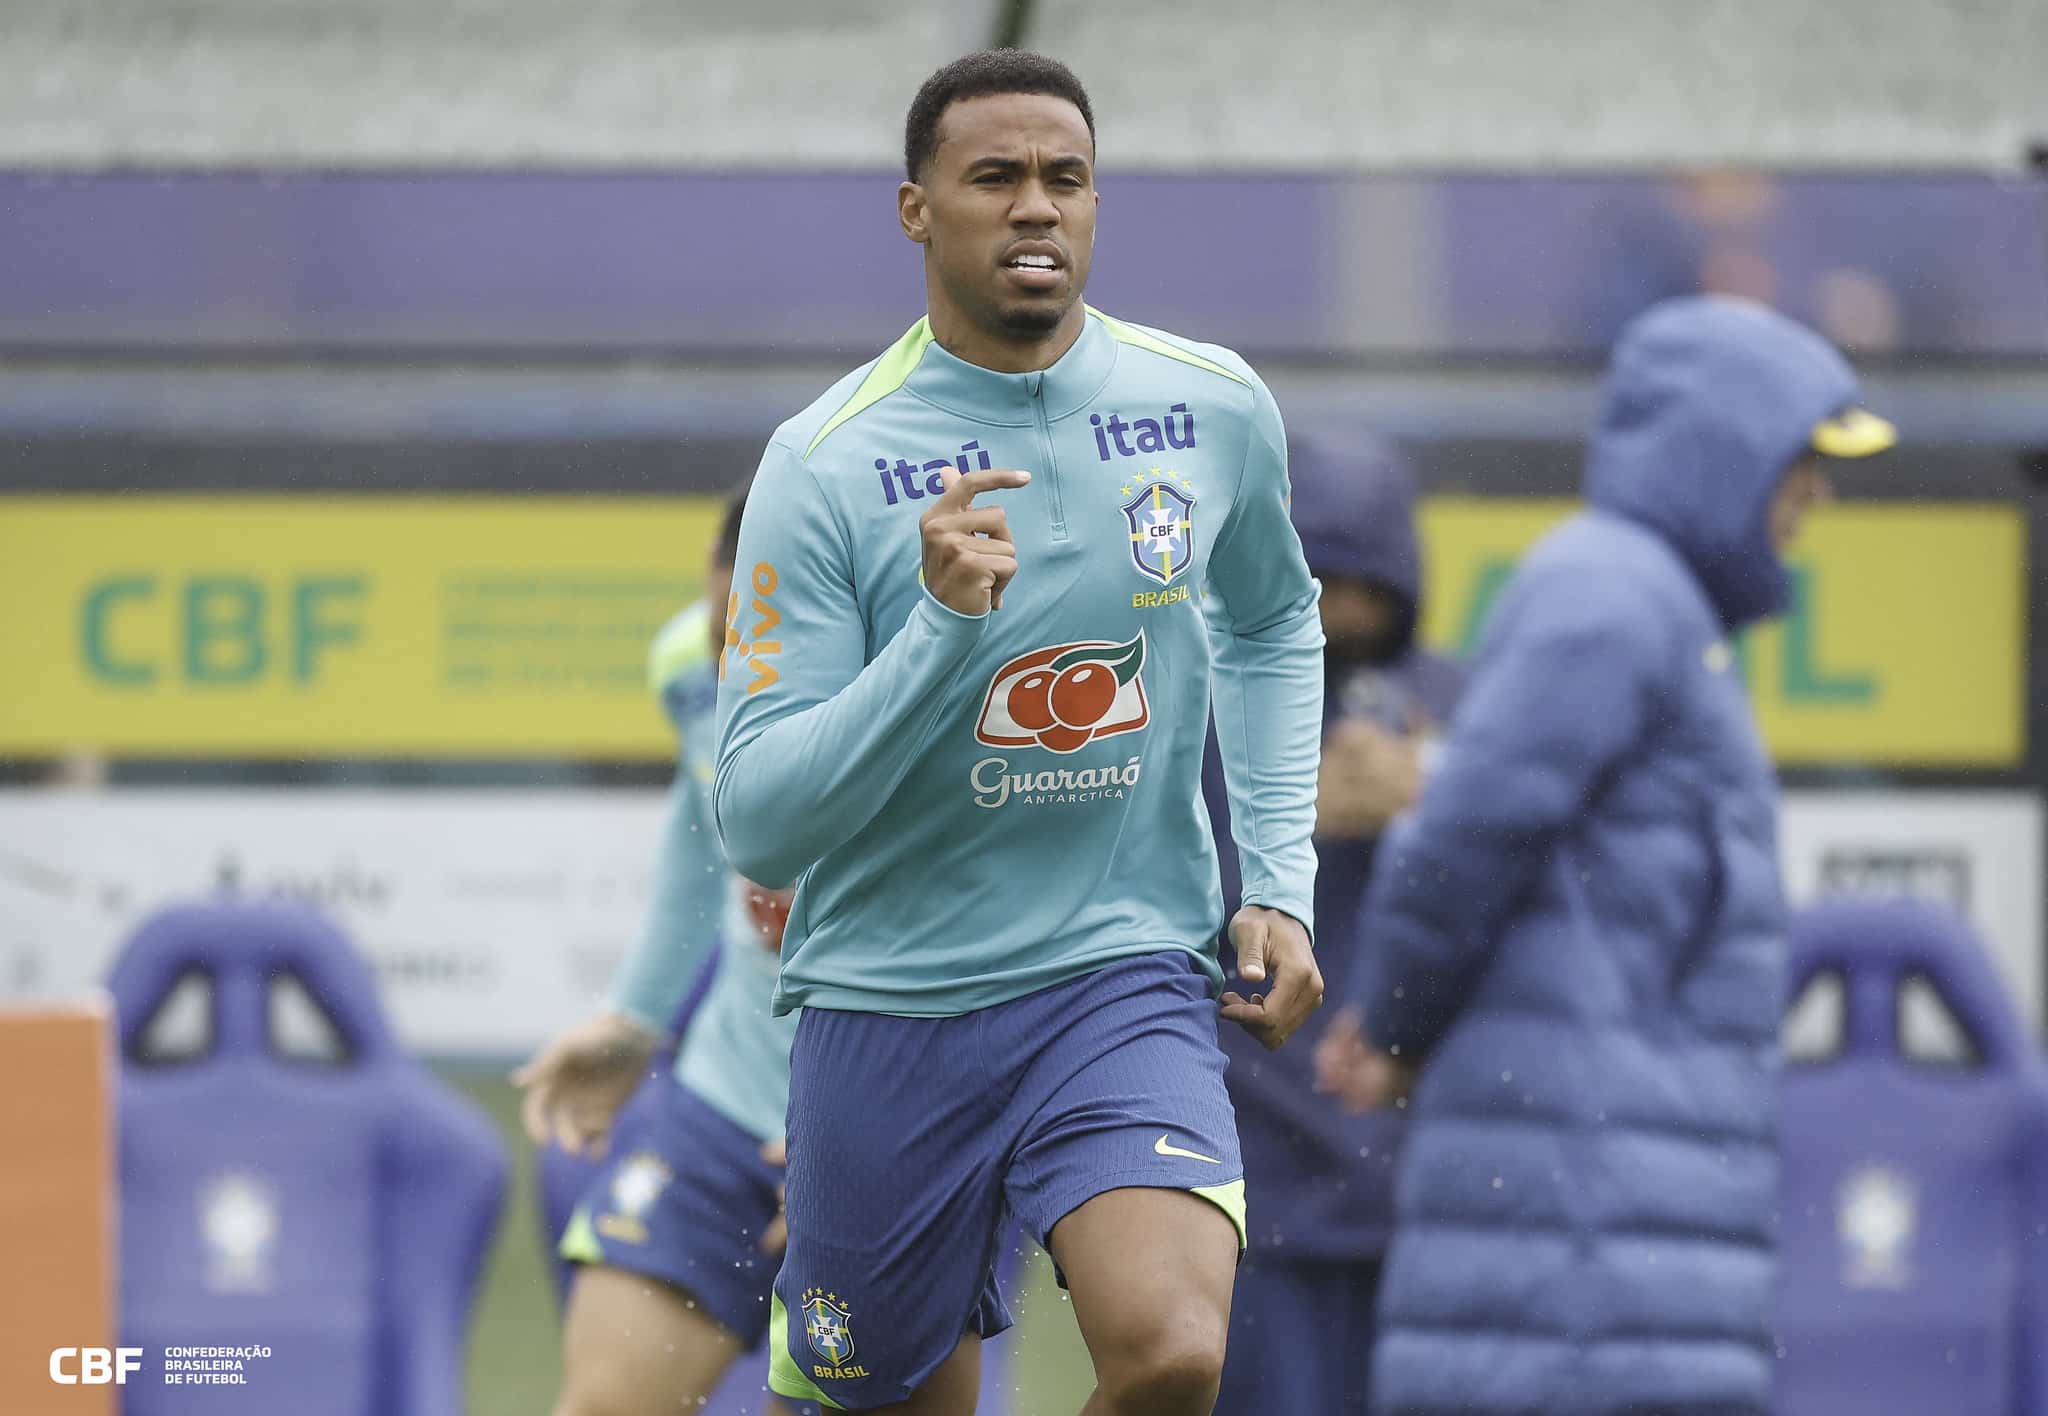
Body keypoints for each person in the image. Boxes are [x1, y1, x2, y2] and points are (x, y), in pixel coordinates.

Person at [714, 48, 1324, 1416]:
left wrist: (1276, 881)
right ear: (918, 209)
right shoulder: (822, 466)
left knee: (1172, 1351)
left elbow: (1277, 624)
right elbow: (757, 817)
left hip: (1120, 971)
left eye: (1067, 178)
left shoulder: (1211, 408)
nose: (1037, 206)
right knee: (877, 1401)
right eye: (996, 177)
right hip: (888, 1004)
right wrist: (938, 632)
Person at [1315, 294, 1897, 1416]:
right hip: (1572, 1284)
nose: (1814, 496)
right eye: (1799, 460)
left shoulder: (1652, 610)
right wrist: (1390, 1025)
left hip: (1612, 1276)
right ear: (1725, 447)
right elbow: (1466, 834)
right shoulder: (1610, 594)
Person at [515, 481, 807, 1416]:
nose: (733, 662)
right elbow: (697, 828)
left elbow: (986, 948)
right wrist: (635, 1021)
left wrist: (860, 1137)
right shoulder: (690, 661)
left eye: (757, 640)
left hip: (894, 1128)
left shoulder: (943, 701)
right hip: (721, 1104)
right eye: (724, 625)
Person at [1201, 431, 1464, 1415]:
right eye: (1314, 575)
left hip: (1421, 1182)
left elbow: (1531, 897)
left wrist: (1430, 796)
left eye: (1363, 583)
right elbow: (1150, 901)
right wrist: (1282, 825)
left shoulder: (1455, 706)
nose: (1337, 607)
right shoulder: (1202, 696)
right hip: (1252, 1179)